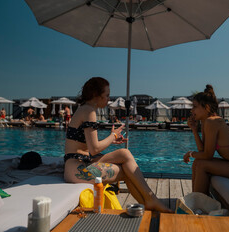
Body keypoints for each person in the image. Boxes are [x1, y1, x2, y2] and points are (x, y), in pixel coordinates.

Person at [64, 77, 171, 213]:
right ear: (96, 95)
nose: (108, 99)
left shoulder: (85, 109)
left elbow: (90, 147)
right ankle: (150, 201)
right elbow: (94, 148)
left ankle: (150, 200)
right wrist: (112, 136)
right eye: (107, 95)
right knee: (126, 170)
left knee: (124, 153)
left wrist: (112, 140)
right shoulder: (89, 111)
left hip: (83, 161)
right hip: (76, 168)